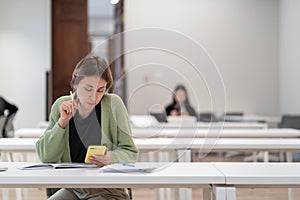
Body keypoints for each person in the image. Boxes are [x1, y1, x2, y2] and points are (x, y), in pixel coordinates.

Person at [36, 55, 139, 200]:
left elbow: (131, 152)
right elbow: (46, 156)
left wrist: (111, 157)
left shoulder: (113, 104)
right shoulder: (61, 105)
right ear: (75, 82)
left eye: (100, 90)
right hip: (73, 187)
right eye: (88, 89)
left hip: (106, 189)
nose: (94, 97)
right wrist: (62, 122)